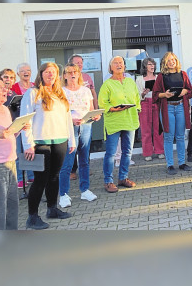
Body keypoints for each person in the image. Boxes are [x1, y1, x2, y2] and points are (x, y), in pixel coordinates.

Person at [21, 63, 75, 229]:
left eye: (53, 72)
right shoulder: (33, 93)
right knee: (40, 180)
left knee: (54, 176)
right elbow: (25, 120)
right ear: (41, 74)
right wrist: (28, 144)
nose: (50, 75)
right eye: (47, 72)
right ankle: (32, 217)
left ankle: (52, 209)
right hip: (40, 143)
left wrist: (71, 140)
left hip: (60, 140)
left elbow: (67, 119)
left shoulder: (61, 94)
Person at [57, 62, 99, 208]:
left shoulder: (86, 90)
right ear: (64, 76)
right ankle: (63, 194)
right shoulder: (61, 91)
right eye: (69, 72)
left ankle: (85, 190)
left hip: (86, 126)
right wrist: (70, 119)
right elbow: (58, 113)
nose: (72, 74)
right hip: (69, 128)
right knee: (67, 162)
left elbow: (91, 109)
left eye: (75, 71)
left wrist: (95, 116)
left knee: (84, 160)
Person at [98, 56, 140, 193]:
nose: (118, 65)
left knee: (127, 152)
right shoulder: (107, 84)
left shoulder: (130, 82)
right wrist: (111, 108)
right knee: (110, 153)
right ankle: (108, 181)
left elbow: (136, 97)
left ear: (124, 66)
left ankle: (123, 177)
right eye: (115, 63)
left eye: (121, 63)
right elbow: (102, 102)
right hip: (114, 121)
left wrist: (137, 108)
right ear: (110, 68)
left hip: (129, 119)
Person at [153, 52, 192, 175]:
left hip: (181, 107)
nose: (172, 62)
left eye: (173, 60)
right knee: (169, 137)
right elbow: (155, 94)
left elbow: (190, 91)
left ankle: (182, 163)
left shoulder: (183, 74)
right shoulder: (161, 76)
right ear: (165, 63)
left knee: (181, 136)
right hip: (168, 109)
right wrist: (165, 94)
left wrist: (184, 91)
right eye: (169, 60)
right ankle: (170, 165)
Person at [0, 76, 20, 230]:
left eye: (4, 86)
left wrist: (19, 128)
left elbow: (8, 133)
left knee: (12, 205)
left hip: (11, 162)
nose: (5, 90)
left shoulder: (4, 109)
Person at [9, 64, 35, 187]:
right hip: (17, 124)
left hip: (30, 125)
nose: (26, 73)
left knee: (30, 150)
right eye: (23, 71)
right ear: (18, 74)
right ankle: (20, 179)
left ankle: (31, 176)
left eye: (28, 70)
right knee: (19, 152)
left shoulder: (35, 86)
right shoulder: (13, 88)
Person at [136, 57, 164, 161]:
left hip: (157, 102)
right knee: (145, 129)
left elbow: (162, 90)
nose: (152, 66)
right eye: (149, 64)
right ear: (145, 66)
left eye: (153, 64)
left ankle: (159, 151)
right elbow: (137, 95)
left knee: (158, 128)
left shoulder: (158, 77)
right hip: (144, 103)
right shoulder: (139, 79)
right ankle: (147, 152)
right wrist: (143, 94)